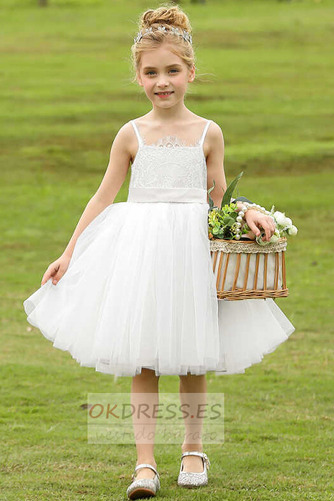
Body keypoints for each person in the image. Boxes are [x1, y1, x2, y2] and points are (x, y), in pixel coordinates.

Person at [23, 4, 295, 499]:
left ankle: (194, 450)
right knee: (142, 358)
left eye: (172, 71)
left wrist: (252, 211)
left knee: (193, 358)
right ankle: (144, 464)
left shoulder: (208, 132)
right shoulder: (131, 134)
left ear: (191, 72)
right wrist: (70, 253)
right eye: (151, 73)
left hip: (190, 251)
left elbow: (219, 197)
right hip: (141, 252)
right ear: (138, 76)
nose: (162, 82)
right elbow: (103, 196)